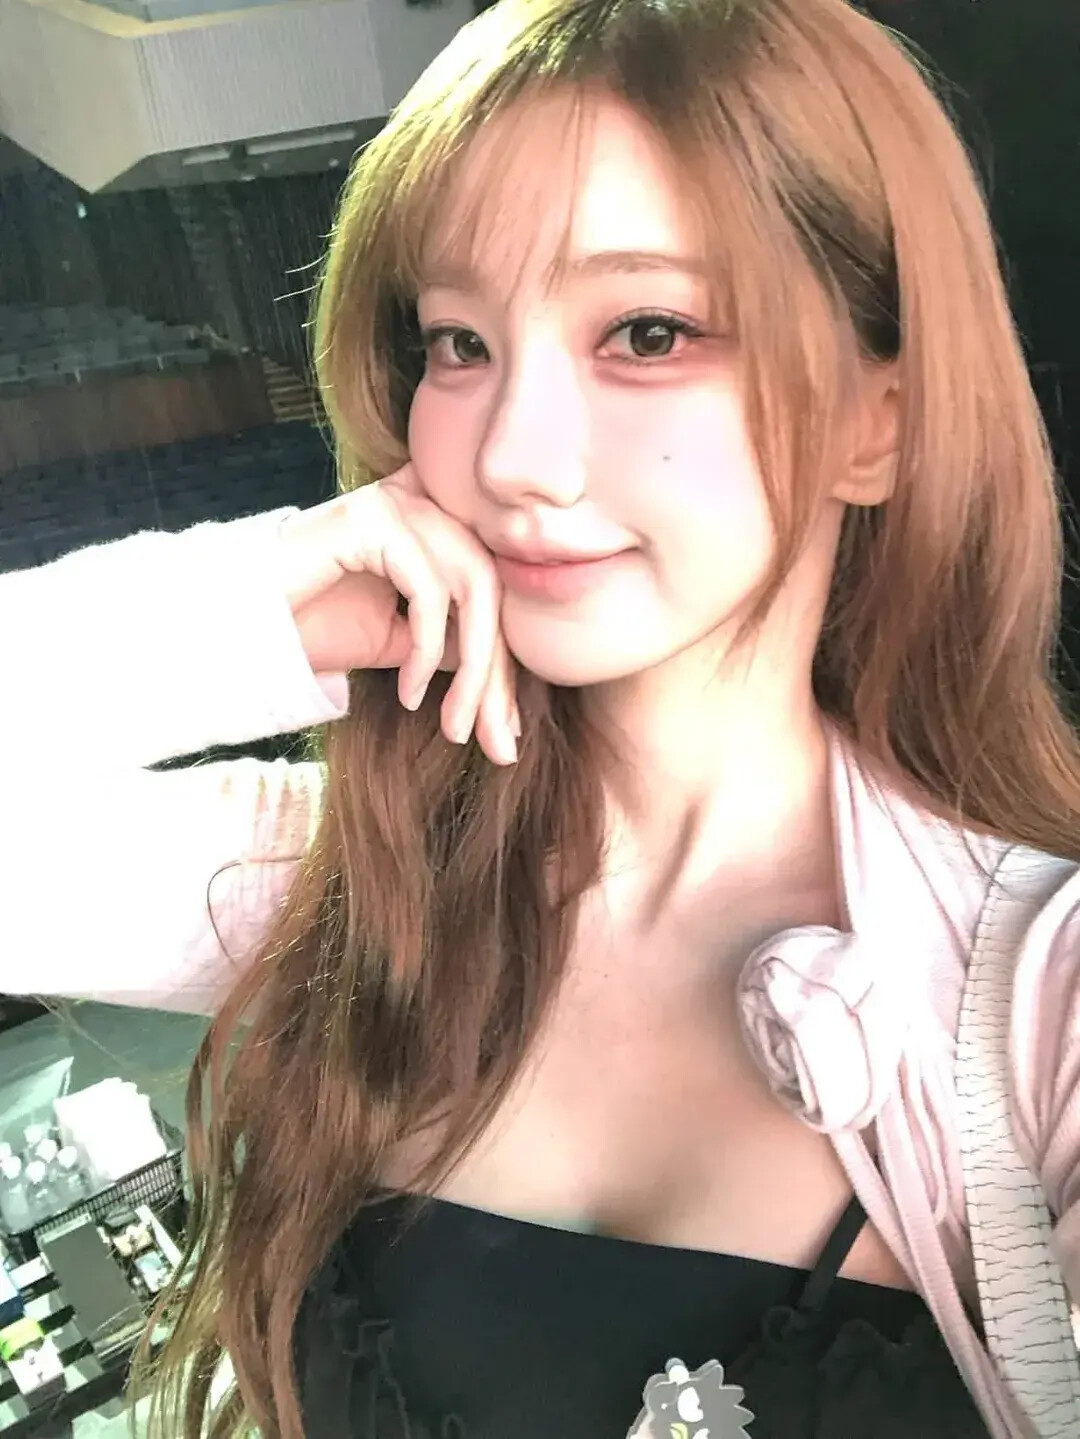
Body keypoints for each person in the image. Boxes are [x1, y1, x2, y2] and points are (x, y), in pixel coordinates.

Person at [2, 0, 1078, 1435]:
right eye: (458, 343)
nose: (510, 453)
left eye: (648, 331)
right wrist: (245, 605)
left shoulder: (1040, 1010)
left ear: (877, 420)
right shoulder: (357, 886)